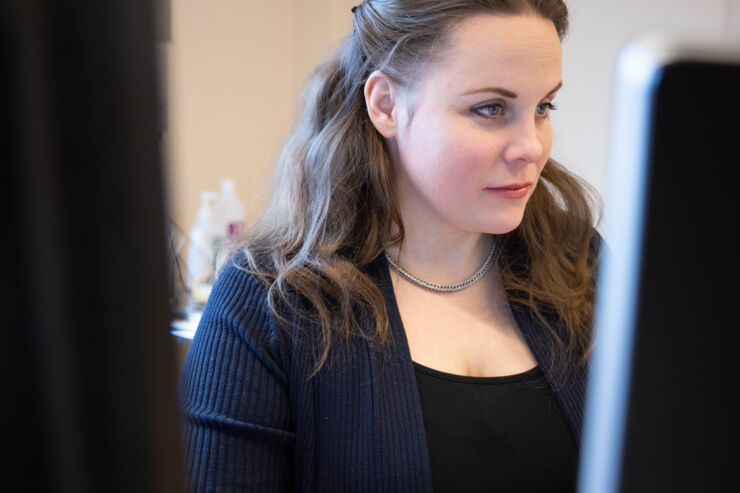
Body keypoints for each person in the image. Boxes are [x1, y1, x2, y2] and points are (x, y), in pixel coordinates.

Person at [179, 0, 602, 491]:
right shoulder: (267, 302)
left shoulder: (582, 263)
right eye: (490, 109)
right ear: (386, 105)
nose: (531, 146)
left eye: (543, 107)